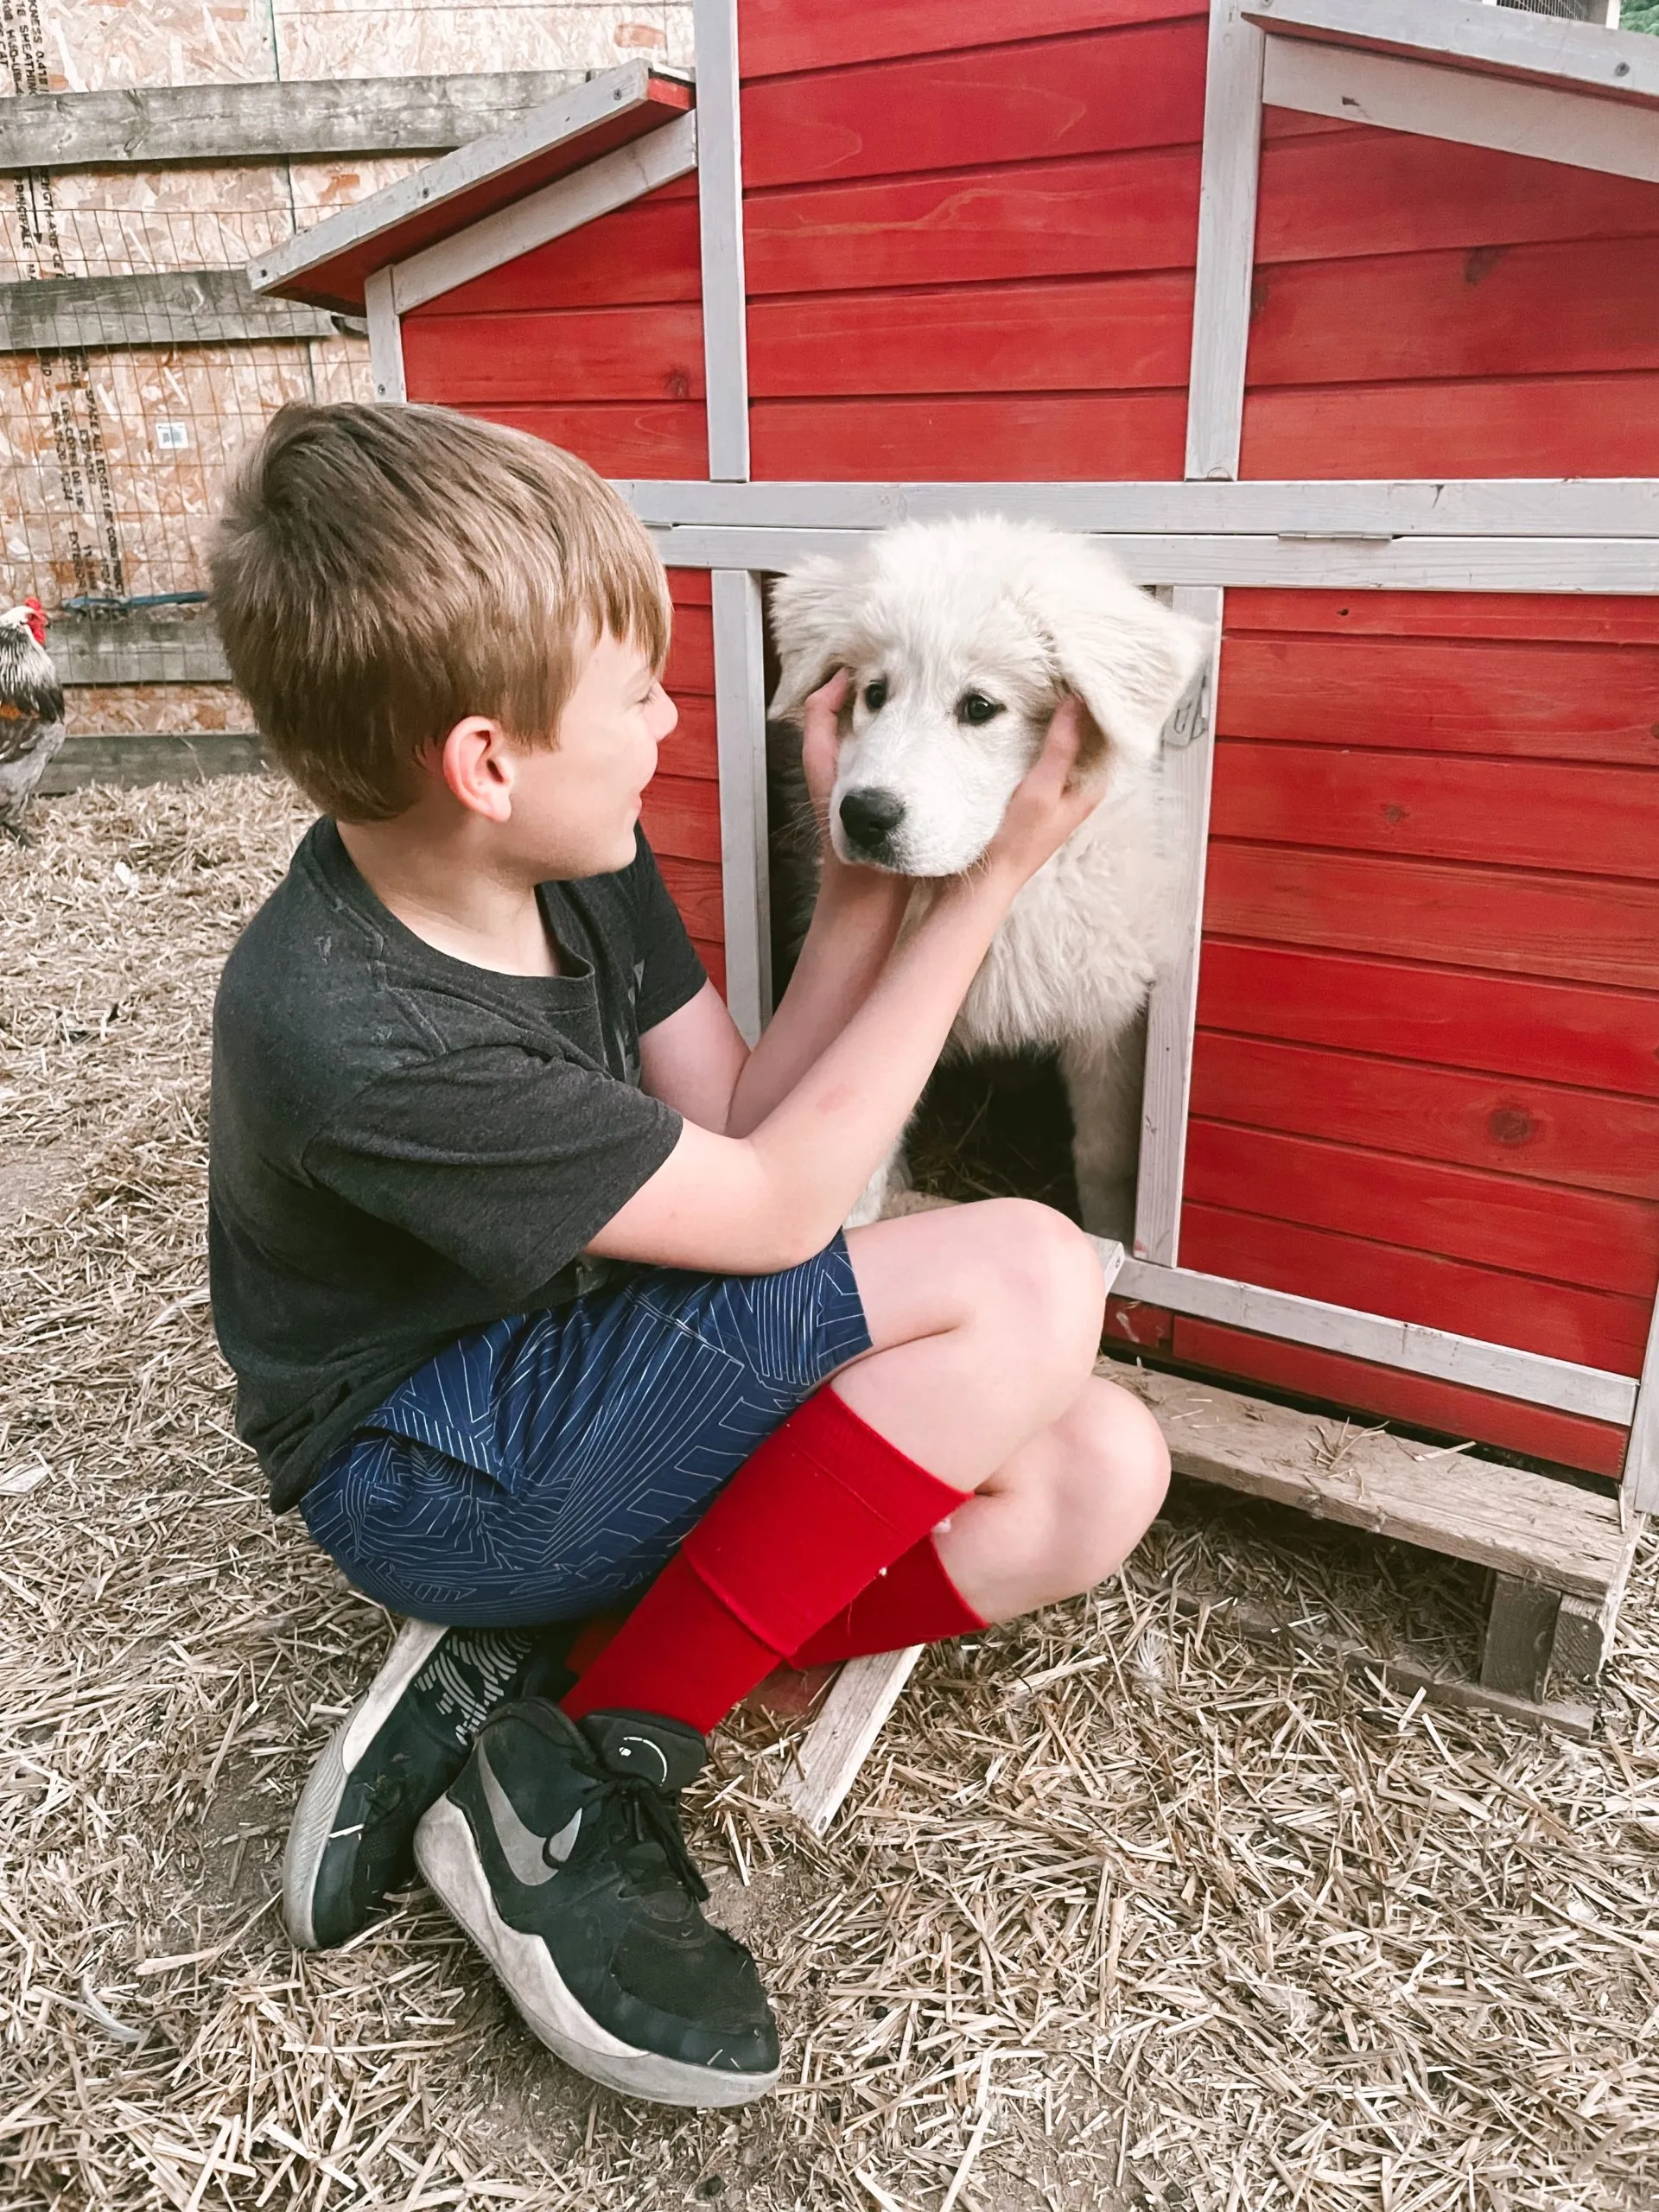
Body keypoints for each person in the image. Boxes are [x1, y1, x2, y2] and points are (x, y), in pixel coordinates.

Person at [207, 401, 1170, 2111]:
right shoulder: (356, 1026)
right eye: (639, 694)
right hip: (439, 1469)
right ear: (489, 760)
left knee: (1098, 1473)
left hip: (594, 1358)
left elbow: (735, 1118)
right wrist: (981, 892)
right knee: (1030, 1272)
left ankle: (552, 1678)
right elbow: (785, 1206)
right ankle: (590, 1774)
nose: (674, 723)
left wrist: (861, 884)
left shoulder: (558, 858)